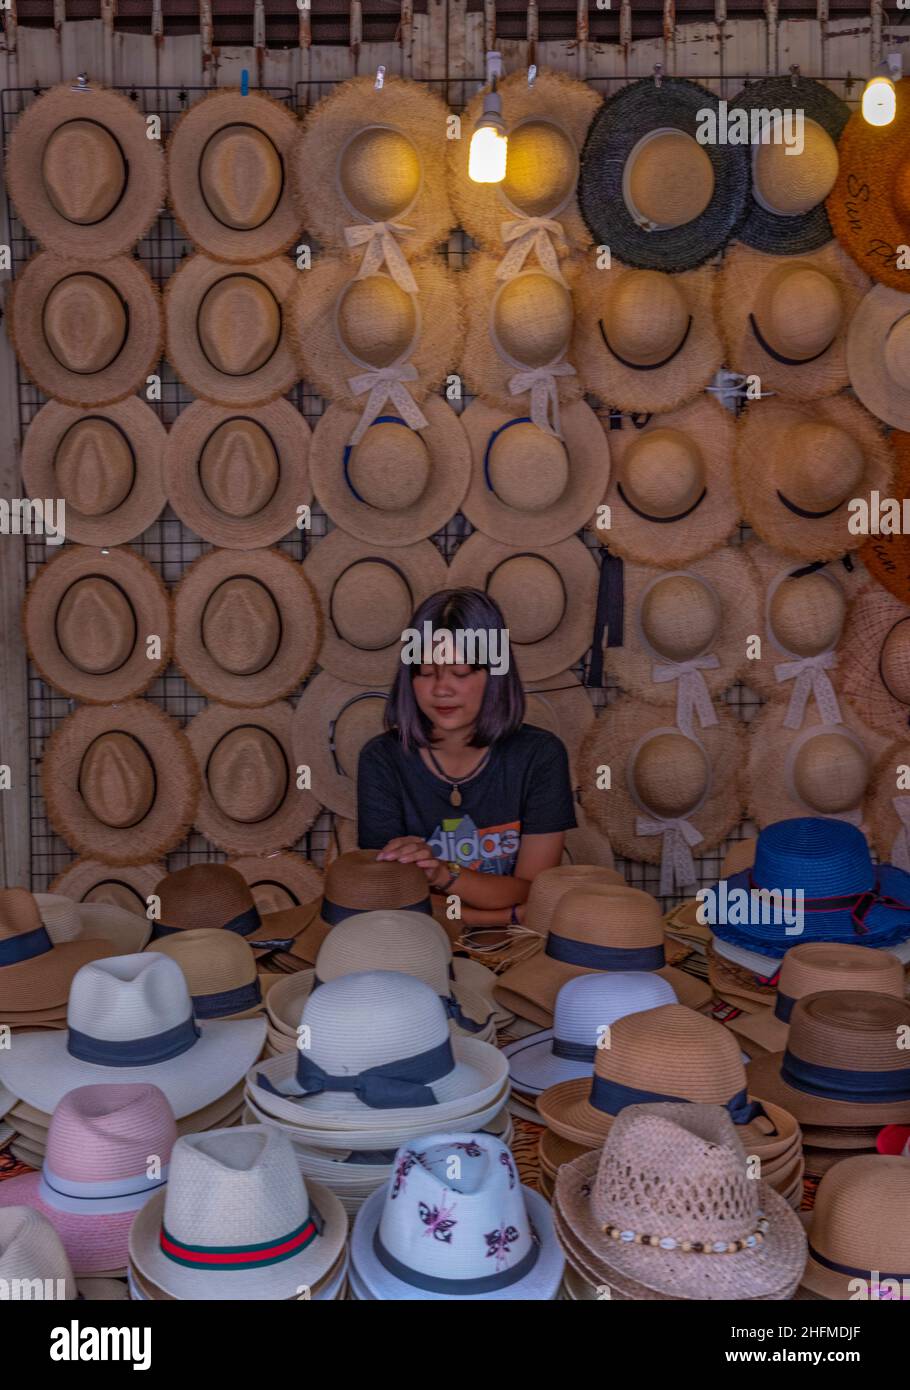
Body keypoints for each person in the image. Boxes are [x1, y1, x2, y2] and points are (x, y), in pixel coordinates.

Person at [356, 587, 577, 930]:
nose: (441, 689)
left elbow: (533, 891)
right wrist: (506, 916)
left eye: (460, 673)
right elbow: (388, 899)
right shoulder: (381, 760)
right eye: (426, 672)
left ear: (496, 675)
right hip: (416, 946)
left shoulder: (540, 756)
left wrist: (442, 873)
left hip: (521, 951)